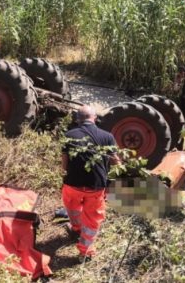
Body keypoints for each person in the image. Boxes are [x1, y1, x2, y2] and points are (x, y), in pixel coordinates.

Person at [61, 105, 120, 260]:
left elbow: (64, 166)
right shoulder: (107, 136)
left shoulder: (69, 135)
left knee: (72, 207)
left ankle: (76, 229)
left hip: (72, 184)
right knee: (93, 218)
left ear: (78, 119)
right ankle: (85, 252)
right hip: (96, 186)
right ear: (94, 118)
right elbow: (116, 162)